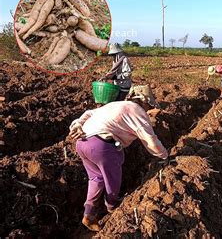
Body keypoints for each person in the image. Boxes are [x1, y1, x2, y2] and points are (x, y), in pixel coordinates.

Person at [68, 84, 168, 232]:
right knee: (113, 178)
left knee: (96, 178)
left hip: (82, 143)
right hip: (102, 146)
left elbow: (89, 113)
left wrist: (77, 124)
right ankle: (112, 206)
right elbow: (150, 140)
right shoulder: (137, 111)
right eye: (148, 104)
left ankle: (88, 214)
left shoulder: (116, 105)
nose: (148, 108)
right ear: (143, 101)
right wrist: (164, 156)